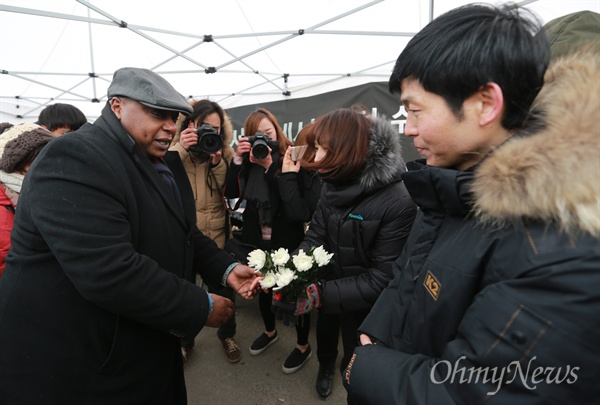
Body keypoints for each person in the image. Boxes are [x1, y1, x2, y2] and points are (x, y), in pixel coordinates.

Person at [342, 4, 599, 404]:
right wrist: (375, 336)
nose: (407, 129)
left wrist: (366, 368)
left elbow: (489, 391)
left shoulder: (559, 246)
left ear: (486, 103)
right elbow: (404, 280)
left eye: (415, 109)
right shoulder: (450, 188)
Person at [0, 67, 260, 404]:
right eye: (158, 113)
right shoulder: (75, 156)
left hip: (138, 343)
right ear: (117, 105)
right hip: (82, 364)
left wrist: (225, 269)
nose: (170, 125)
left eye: (175, 116)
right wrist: (200, 305)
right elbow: (109, 269)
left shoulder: (156, 160)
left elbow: (183, 232)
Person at [276, 106, 416, 401]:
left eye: (323, 149)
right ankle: (325, 366)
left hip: (367, 308)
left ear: (347, 150)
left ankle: (347, 368)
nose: (315, 158)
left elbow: (382, 278)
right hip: (330, 286)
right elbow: (315, 234)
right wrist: (290, 271)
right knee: (326, 336)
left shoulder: (398, 201)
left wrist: (320, 294)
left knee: (357, 358)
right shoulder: (332, 184)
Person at [224, 108, 321, 374]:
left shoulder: (290, 158)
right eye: (257, 136)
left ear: (277, 131)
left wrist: (269, 167)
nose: (263, 141)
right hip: (257, 240)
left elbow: (295, 208)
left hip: (288, 239)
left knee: (293, 293)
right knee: (264, 289)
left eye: (268, 134)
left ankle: (303, 346)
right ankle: (270, 331)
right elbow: (231, 197)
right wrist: (237, 161)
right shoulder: (247, 160)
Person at [165, 98, 241, 364]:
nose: (211, 133)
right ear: (190, 124)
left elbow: (230, 192)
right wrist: (180, 149)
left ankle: (227, 334)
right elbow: (163, 183)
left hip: (218, 235)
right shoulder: (172, 152)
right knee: (186, 291)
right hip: (184, 238)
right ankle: (185, 341)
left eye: (217, 128)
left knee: (224, 290)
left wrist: (218, 161)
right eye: (205, 126)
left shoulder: (224, 152)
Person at [0, 123, 54, 277]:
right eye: (34, 161)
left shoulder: (49, 189)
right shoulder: (5, 203)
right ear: (19, 166)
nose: (46, 165)